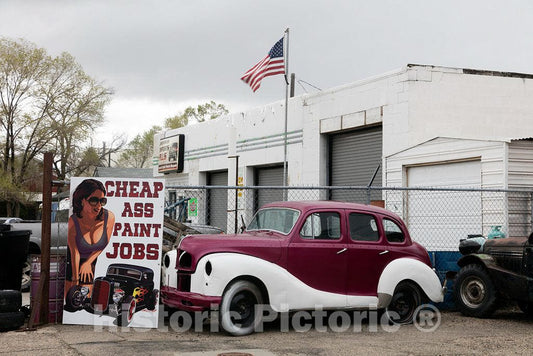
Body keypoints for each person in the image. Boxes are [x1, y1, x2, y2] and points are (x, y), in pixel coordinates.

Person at [65, 179, 115, 297]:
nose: (98, 206)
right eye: (93, 200)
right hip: (74, 261)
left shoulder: (109, 218)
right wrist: (75, 279)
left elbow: (103, 244)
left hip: (91, 261)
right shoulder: (73, 222)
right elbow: (74, 251)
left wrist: (88, 262)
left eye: (102, 201)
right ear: (82, 200)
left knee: (86, 298)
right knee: (71, 299)